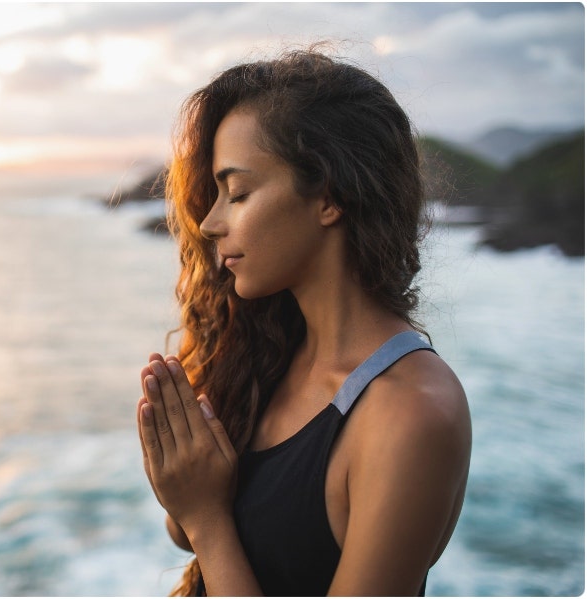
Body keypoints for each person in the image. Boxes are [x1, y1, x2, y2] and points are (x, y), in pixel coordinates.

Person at [136, 50, 471, 596]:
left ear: (330, 197)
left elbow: (205, 528)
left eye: (238, 192)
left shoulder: (411, 413)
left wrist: (207, 518)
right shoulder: (267, 349)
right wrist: (184, 480)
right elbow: (187, 531)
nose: (209, 222)